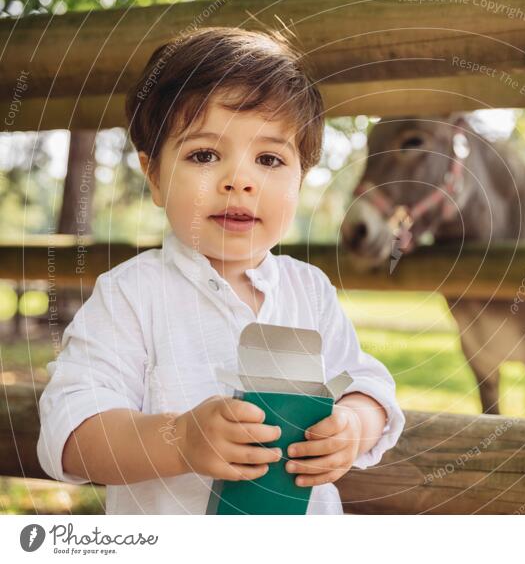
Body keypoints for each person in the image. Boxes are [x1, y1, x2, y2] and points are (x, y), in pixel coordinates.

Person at [36, 26, 405, 515]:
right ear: (155, 177)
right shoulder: (133, 294)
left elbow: (367, 384)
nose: (239, 180)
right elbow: (70, 430)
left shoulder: (308, 291)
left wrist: (354, 426)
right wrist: (180, 439)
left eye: (270, 159)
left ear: (300, 180)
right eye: (204, 155)